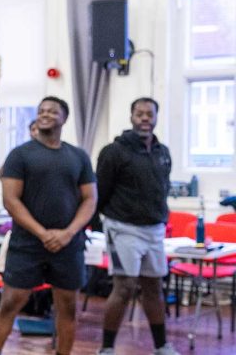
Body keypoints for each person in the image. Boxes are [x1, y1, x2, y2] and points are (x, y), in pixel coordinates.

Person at [0, 96, 97, 355]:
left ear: (64, 118)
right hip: (27, 243)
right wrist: (43, 233)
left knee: (67, 307)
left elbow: (90, 199)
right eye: (41, 111)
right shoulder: (20, 155)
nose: (45, 114)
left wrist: (68, 233)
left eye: (52, 111)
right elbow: (10, 200)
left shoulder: (79, 156)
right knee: (11, 302)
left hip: (68, 244)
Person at [95, 97, 176, 355]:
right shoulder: (114, 151)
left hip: (154, 230)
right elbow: (101, 191)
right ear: (131, 117)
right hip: (122, 227)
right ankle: (107, 348)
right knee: (125, 286)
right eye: (139, 114)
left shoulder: (162, 152)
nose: (144, 118)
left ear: (156, 118)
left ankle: (161, 346)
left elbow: (162, 188)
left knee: (154, 286)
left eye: (149, 114)